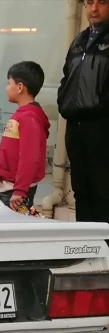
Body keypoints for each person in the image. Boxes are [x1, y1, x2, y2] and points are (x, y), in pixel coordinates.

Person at [58, 0, 109, 225]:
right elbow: (66, 76)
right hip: (76, 125)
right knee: (81, 190)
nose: (94, 8)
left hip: (102, 125)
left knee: (102, 192)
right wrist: (63, 101)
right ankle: (85, 246)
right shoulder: (79, 40)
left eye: (102, 2)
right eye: (89, 2)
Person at [0, 62, 50, 210]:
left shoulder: (29, 117)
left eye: (9, 83)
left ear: (20, 87)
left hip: (16, 193)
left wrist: (20, 190)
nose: (6, 87)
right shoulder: (22, 115)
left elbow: (29, 157)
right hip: (11, 187)